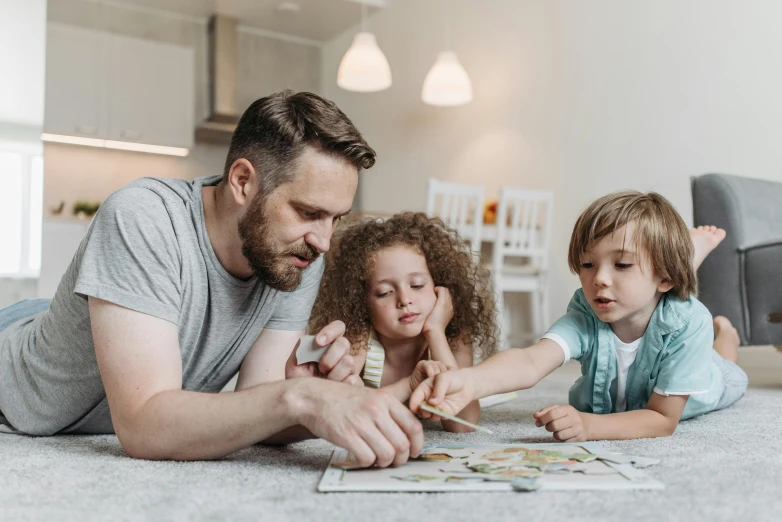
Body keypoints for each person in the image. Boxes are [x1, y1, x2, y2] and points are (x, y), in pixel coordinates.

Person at [0, 91, 423, 467]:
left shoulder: (296, 255)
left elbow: (257, 409)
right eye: (309, 212)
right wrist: (299, 399)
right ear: (242, 181)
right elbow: (143, 425)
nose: (324, 241)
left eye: (336, 218)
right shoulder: (143, 216)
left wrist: (314, 401)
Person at [410, 192, 747, 442]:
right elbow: (531, 361)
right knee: (657, 300)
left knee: (723, 368)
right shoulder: (588, 311)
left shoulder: (690, 324)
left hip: (708, 381)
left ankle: (725, 337)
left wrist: (590, 426)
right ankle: (685, 260)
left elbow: (662, 420)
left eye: (622, 264)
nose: (598, 278)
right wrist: (469, 382)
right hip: (662, 291)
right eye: (587, 264)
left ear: (663, 277)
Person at [308, 212, 498, 431]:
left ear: (441, 286)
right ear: (361, 304)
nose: (405, 300)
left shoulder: (453, 334)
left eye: (417, 286)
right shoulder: (360, 335)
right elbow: (345, 408)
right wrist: (408, 385)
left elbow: (462, 424)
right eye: (384, 292)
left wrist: (435, 331)